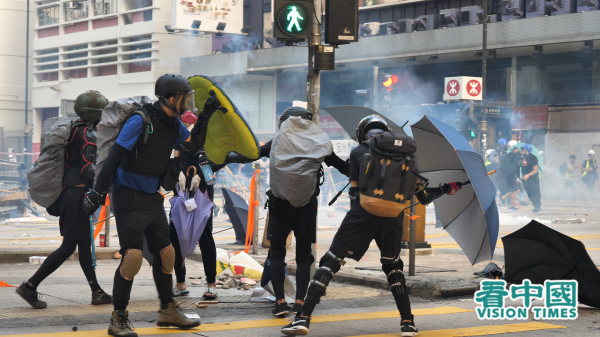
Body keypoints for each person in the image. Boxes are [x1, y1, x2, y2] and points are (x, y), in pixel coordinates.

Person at [280, 115, 463, 336]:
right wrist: (447, 188)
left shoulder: (358, 152)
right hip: (393, 217)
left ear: (362, 134)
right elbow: (423, 197)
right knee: (393, 266)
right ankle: (407, 323)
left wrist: (329, 157)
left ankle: (303, 319)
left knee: (331, 261)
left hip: (361, 215)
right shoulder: (405, 157)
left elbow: (350, 173)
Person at [82, 74, 222, 337]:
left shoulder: (173, 123)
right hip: (127, 196)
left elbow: (193, 143)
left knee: (167, 254)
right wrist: (97, 193)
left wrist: (205, 116)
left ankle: (168, 310)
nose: (187, 102)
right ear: (172, 98)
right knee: (133, 257)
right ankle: (118, 319)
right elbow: (114, 158)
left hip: (151, 196)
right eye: (185, 97)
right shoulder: (141, 120)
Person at [227, 107, 349, 318]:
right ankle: (300, 302)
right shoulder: (318, 143)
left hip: (280, 206)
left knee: (276, 254)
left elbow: (250, 155)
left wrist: (223, 155)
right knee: (303, 256)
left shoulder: (277, 142)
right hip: (306, 207)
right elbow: (342, 167)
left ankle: (281, 303)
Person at [16, 91, 113, 309]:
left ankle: (96, 291)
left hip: (69, 195)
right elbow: (88, 169)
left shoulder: (72, 130)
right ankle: (30, 286)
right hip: (77, 197)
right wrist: (105, 179)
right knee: (69, 246)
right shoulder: (87, 133)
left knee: (84, 246)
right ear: (95, 114)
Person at [170, 146, 225, 300]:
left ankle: (211, 283)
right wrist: (177, 171)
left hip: (202, 191)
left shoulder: (207, 138)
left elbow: (221, 160)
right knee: (175, 234)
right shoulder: (180, 134)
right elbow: (175, 158)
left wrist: (201, 175)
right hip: (181, 189)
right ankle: (180, 282)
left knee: (204, 235)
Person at [520, 144, 541, 212]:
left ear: (526, 151)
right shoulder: (522, 157)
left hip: (533, 178)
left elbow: (535, 170)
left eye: (522, 150)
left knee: (535, 191)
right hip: (526, 179)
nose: (521, 151)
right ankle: (535, 205)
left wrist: (528, 175)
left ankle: (537, 205)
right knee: (529, 192)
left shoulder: (532, 158)